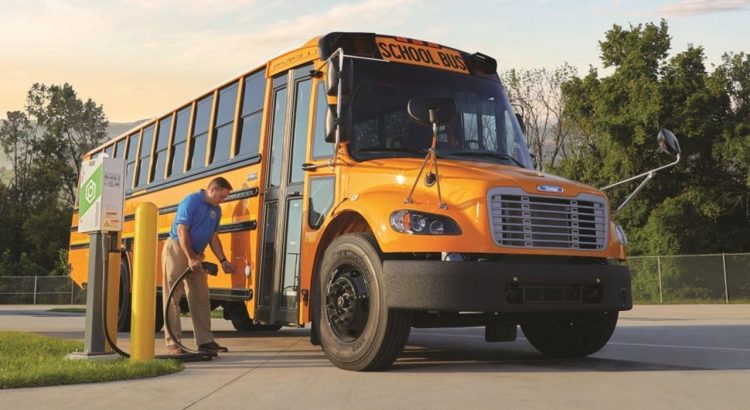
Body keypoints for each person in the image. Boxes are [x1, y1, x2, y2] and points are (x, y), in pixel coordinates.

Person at [163, 177, 235, 354]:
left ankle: (205, 341)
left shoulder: (216, 211)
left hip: (196, 253)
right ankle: (173, 342)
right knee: (173, 295)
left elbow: (213, 238)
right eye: (222, 196)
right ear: (212, 190)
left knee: (201, 296)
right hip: (178, 248)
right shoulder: (191, 201)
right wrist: (190, 258)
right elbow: (182, 231)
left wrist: (223, 260)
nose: (223, 200)